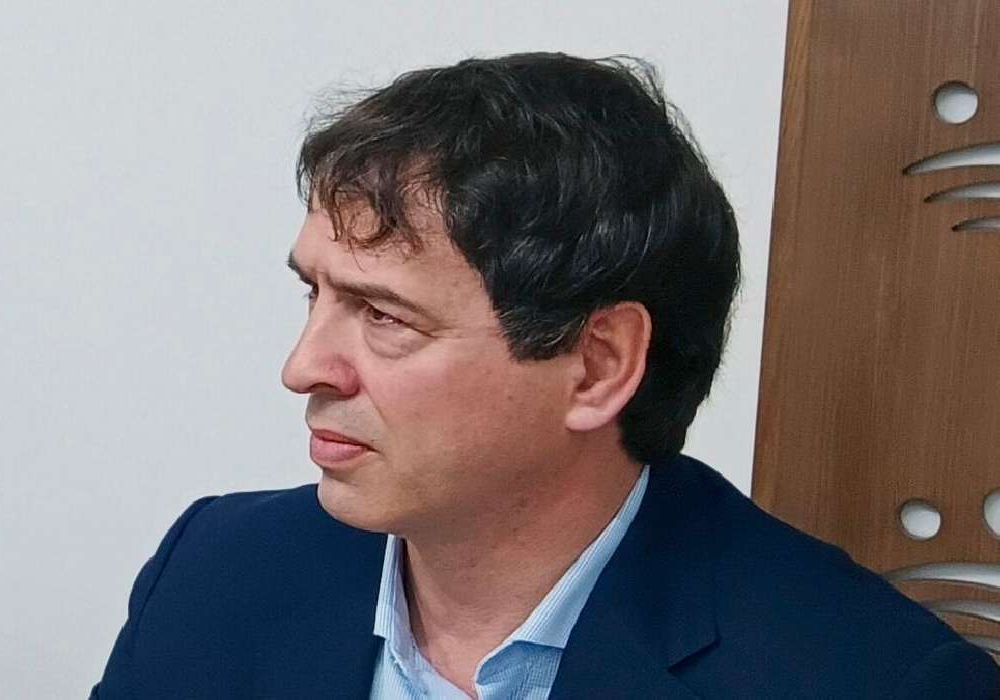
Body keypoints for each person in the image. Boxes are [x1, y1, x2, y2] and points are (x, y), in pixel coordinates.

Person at [90, 52, 999, 698]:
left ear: (597, 366)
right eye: (314, 295)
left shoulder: (867, 677)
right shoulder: (217, 570)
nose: (302, 369)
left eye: (384, 316)